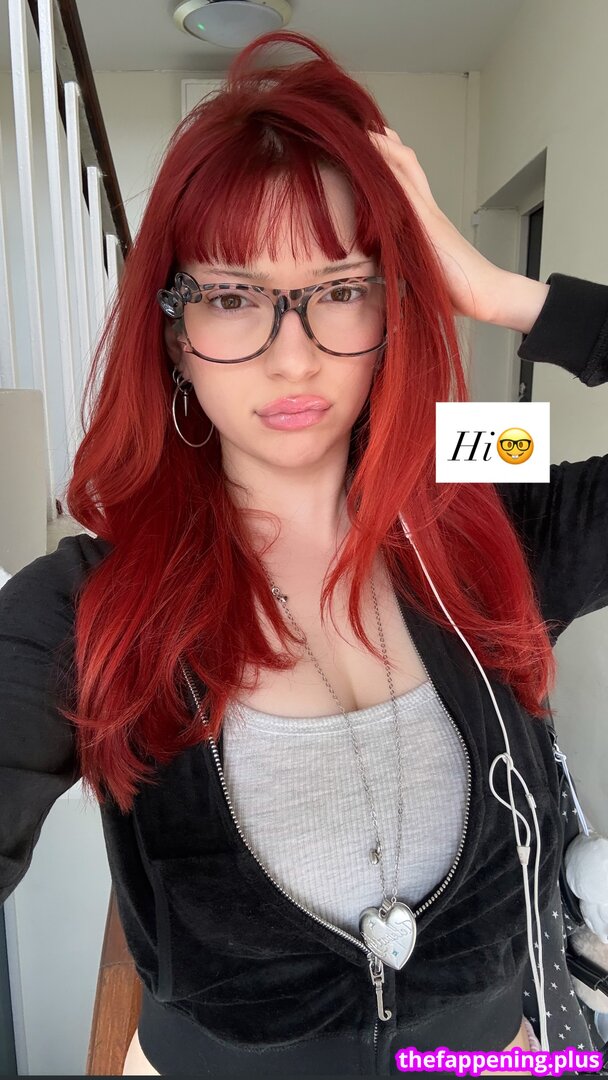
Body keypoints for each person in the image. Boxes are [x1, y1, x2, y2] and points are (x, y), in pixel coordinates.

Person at [1, 28, 607, 1080]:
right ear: (175, 335)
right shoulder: (85, 609)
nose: (292, 355)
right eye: (233, 297)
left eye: (339, 288)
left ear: (393, 308)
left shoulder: (488, 529)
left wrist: (502, 292)